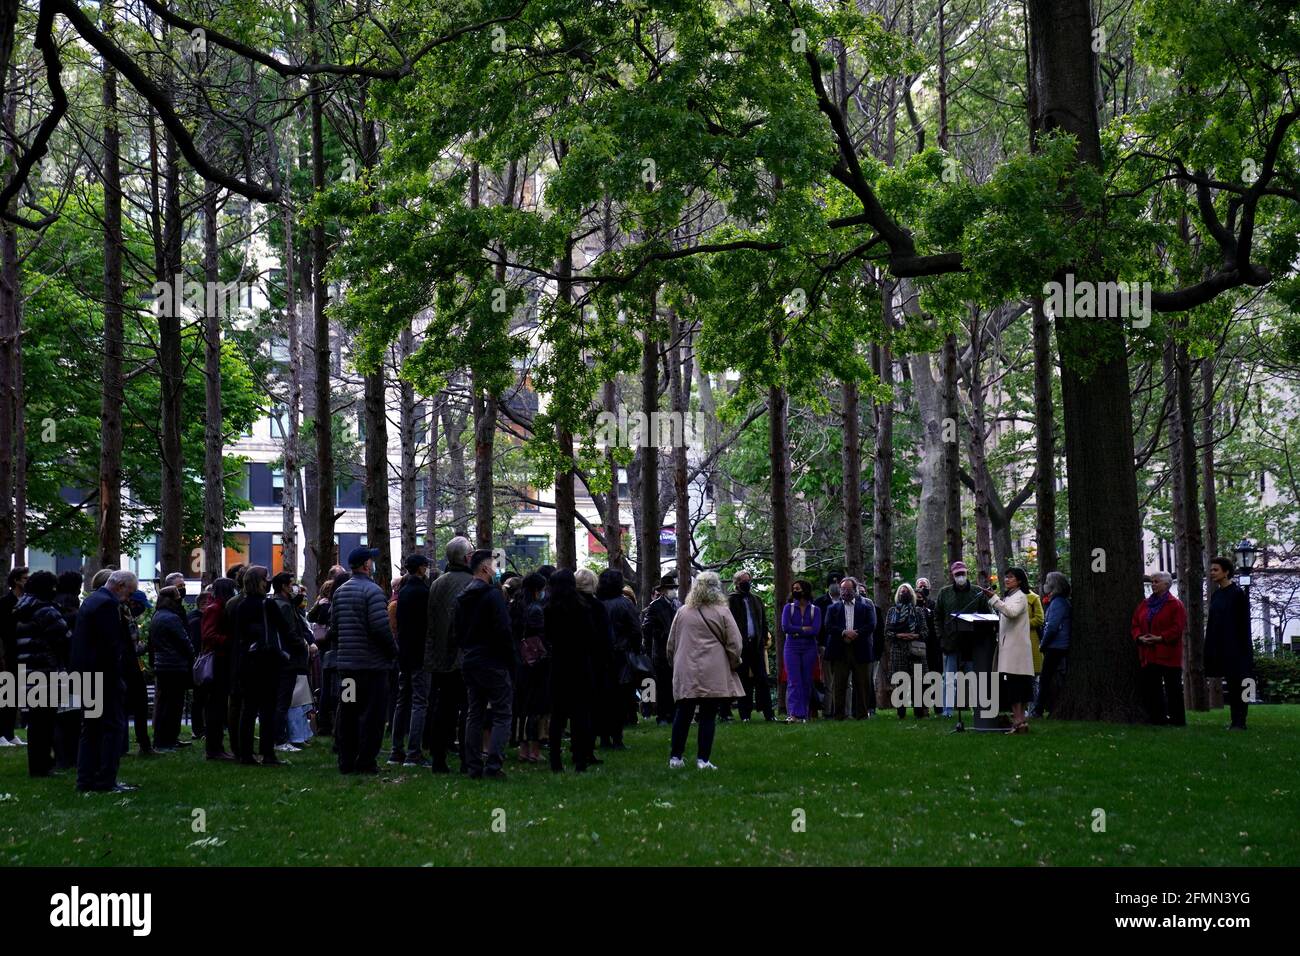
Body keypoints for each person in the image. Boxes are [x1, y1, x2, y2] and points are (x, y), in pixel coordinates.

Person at [667, 571, 744, 770]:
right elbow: (735, 642)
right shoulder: (722, 611)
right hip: (714, 668)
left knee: (683, 713)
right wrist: (734, 662)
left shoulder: (683, 611)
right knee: (708, 715)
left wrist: (674, 663)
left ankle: (676, 758)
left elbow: (671, 643)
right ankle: (703, 760)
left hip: (686, 668)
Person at [333, 547, 398, 773]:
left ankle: (346, 760)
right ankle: (366, 761)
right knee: (372, 715)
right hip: (371, 668)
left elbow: (335, 628)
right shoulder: (373, 592)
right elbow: (380, 628)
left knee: (348, 712)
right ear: (366, 565)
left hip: (348, 668)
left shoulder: (340, 592)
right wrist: (392, 651)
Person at [72, 569, 138, 792]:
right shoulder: (107, 606)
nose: (129, 598)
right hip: (103, 676)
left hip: (86, 673)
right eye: (129, 592)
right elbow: (111, 646)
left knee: (90, 728)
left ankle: (86, 779)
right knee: (112, 727)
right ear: (120, 587)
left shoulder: (92, 601)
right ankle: (106, 779)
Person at [456, 549, 514, 780]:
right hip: (493, 660)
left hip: (470, 660)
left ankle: (473, 764)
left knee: (474, 713)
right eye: (493, 564)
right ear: (484, 568)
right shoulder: (492, 596)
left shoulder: (463, 597)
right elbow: (503, 630)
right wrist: (511, 660)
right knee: (501, 713)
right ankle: (493, 764)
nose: (496, 568)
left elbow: (457, 631)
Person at [12, 570, 71, 776]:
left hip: (28, 670)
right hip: (47, 670)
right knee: (45, 722)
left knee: (37, 723)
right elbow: (64, 638)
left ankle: (39, 764)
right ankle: (43, 766)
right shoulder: (46, 611)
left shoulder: (22, 608)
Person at [425, 537, 474, 773]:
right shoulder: (472, 583)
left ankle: (438, 759)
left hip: (441, 657)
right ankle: (467, 759)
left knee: (442, 709)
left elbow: (431, 623)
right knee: (468, 709)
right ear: (466, 558)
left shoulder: (437, 584)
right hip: (464, 657)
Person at [234, 567, 289, 766]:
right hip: (267, 661)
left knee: (248, 710)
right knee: (268, 709)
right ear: (260, 582)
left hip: (247, 660)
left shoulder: (241, 605)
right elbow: (284, 628)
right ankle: (267, 753)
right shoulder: (268, 605)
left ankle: (246, 754)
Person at [545, 569, 597, 772]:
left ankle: (555, 761)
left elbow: (547, 637)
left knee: (557, 716)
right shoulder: (583, 608)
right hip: (580, 664)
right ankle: (580, 760)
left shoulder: (549, 609)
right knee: (580, 715)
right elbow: (591, 637)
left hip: (558, 664)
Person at [980, 567, 1035, 734]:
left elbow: (1011, 613)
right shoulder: (1011, 596)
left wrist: (993, 598)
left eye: (1011, 577)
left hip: (1016, 650)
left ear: (1019, 580)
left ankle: (1019, 721)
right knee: (1014, 686)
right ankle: (1019, 722)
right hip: (1010, 648)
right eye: (1006, 577)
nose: (1007, 580)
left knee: (1018, 686)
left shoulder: (1020, 597)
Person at [1131, 570, 1188, 726]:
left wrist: (1160, 638)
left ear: (1166, 584)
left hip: (1168, 653)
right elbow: (1135, 623)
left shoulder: (1175, 604)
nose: (1153, 584)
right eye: (1152, 581)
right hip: (1149, 653)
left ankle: (1177, 720)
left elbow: (1177, 628)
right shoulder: (1145, 604)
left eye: (1156, 582)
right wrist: (1139, 637)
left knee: (1173, 689)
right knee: (1153, 688)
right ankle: (1158, 719)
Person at [390, 554, 432, 766]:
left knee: (402, 701)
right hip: (419, 654)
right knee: (419, 702)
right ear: (421, 569)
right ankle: (414, 752)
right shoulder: (423, 592)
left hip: (404, 653)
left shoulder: (403, 592)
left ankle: (396, 750)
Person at [934, 561, 990, 717]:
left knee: (974, 678)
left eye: (962, 573)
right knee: (949, 678)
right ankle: (947, 710)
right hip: (951, 642)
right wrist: (941, 637)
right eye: (957, 574)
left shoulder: (977, 593)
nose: (960, 576)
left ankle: (977, 709)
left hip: (972, 643)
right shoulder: (944, 593)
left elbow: (987, 616)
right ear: (952, 575)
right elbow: (937, 616)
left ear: (967, 573)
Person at [1205, 556, 1254, 730]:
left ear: (1226, 572)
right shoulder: (1217, 595)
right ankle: (1235, 721)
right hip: (1222, 647)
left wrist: (1240, 648)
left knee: (1240, 684)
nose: (1212, 573)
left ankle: (1240, 722)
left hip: (1237, 647)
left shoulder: (1237, 594)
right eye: (1211, 570)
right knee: (1232, 685)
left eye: (1215, 570)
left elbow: (1242, 623)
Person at [596, 568, 642, 748]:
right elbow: (635, 630)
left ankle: (605, 738)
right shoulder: (624, 604)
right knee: (620, 699)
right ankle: (617, 738)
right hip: (621, 656)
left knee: (603, 698)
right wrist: (636, 650)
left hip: (600, 656)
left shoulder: (596, 603)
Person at [822, 576, 876, 719]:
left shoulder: (865, 607)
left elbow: (871, 625)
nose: (845, 592)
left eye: (848, 589)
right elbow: (828, 626)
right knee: (839, 684)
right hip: (840, 650)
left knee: (862, 685)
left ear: (855, 590)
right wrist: (843, 632)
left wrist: (856, 633)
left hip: (861, 649)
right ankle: (839, 715)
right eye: (843, 589)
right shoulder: (832, 608)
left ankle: (862, 715)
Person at [149, 586, 195, 751]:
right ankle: (166, 741)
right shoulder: (172, 618)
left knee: (165, 704)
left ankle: (164, 739)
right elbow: (184, 641)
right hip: (174, 666)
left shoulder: (158, 616)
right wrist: (192, 655)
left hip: (163, 665)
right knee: (173, 706)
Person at [270, 572, 310, 751]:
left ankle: (279, 736)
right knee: (284, 700)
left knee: (283, 699)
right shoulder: (284, 606)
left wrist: (298, 597)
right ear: (285, 587)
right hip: (289, 657)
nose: (294, 587)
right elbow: (290, 630)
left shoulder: (281, 603)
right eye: (292, 584)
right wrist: (301, 645)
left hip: (284, 657)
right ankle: (280, 739)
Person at [511, 573, 549, 763]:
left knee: (521, 707)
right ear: (537, 590)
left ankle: (522, 748)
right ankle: (535, 749)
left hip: (519, 662)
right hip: (535, 663)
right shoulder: (536, 610)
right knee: (537, 706)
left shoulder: (516, 606)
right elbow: (540, 636)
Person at [728, 570, 775, 721]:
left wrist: (762, 639)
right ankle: (745, 715)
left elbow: (763, 622)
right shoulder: (731, 600)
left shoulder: (757, 600)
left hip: (756, 646)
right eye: (743, 581)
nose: (746, 583)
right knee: (743, 682)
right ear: (736, 583)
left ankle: (769, 714)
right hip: (740, 647)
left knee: (762, 680)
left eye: (748, 580)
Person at [575, 569, 610, 765]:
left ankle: (576, 747)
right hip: (593, 663)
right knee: (590, 708)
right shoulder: (597, 606)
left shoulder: (567, 603)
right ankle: (587, 748)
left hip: (571, 662)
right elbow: (605, 638)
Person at [201, 578, 238, 760]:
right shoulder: (215, 609)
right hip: (218, 661)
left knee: (219, 705)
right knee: (216, 706)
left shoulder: (216, 608)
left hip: (222, 659)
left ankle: (216, 747)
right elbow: (209, 635)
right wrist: (229, 641)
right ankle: (214, 748)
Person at [51, 571, 84, 767]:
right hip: (69, 667)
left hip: (58, 667)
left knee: (61, 715)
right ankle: (68, 756)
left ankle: (62, 755)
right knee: (70, 714)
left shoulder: (57, 604)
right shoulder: (71, 609)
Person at [884, 583, 929, 719]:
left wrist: (915, 636)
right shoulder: (892, 612)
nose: (904, 594)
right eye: (902, 592)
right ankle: (901, 713)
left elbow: (925, 631)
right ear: (898, 594)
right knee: (901, 683)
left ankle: (919, 712)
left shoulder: (918, 611)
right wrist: (899, 635)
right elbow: (887, 632)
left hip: (916, 650)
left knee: (918, 683)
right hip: (898, 650)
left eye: (907, 591)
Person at [781, 580, 821, 722]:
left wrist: (797, 631)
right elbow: (786, 627)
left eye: (797, 588)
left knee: (806, 680)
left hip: (809, 648)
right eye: (793, 589)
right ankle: (794, 714)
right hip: (791, 648)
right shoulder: (788, 608)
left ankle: (803, 713)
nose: (795, 591)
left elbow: (815, 630)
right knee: (793, 680)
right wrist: (804, 629)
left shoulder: (815, 610)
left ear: (805, 590)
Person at [642, 575, 680, 726]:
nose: (673, 591)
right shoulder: (655, 605)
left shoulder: (678, 605)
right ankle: (662, 715)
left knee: (674, 684)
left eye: (674, 588)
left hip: (676, 650)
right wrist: (659, 635)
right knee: (663, 685)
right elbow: (647, 627)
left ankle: (673, 713)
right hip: (661, 650)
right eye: (670, 588)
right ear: (663, 590)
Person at [1036, 571, 1072, 717]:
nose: (1044, 585)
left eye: (1046, 582)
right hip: (1057, 645)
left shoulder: (1058, 603)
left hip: (1056, 646)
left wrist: (1043, 644)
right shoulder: (1059, 602)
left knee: (1045, 679)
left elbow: (1052, 627)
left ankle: (1038, 709)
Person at [123, 591, 154, 756]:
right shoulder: (129, 620)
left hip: (126, 667)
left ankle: (125, 745)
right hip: (132, 667)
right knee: (140, 705)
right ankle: (144, 745)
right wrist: (145, 646)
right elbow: (135, 649)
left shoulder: (123, 614)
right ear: (133, 603)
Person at [0, 566, 28, 747]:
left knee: (14, 696)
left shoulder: (25, 601)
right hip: (8, 654)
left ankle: (9, 733)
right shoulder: (4, 603)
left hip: (21, 653)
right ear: (16, 580)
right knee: (5, 695)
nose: (28, 581)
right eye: (25, 578)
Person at [187, 591, 209, 741]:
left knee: (200, 698)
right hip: (201, 662)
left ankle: (200, 728)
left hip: (198, 661)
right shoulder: (197, 621)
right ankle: (199, 729)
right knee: (200, 697)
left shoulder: (193, 617)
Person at [1025, 580, 1045, 714]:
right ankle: (1024, 709)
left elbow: (1039, 619)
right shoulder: (1008, 598)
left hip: (1031, 641)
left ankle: (1034, 709)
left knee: (1033, 678)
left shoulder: (1033, 598)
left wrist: (1022, 623)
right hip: (1015, 644)